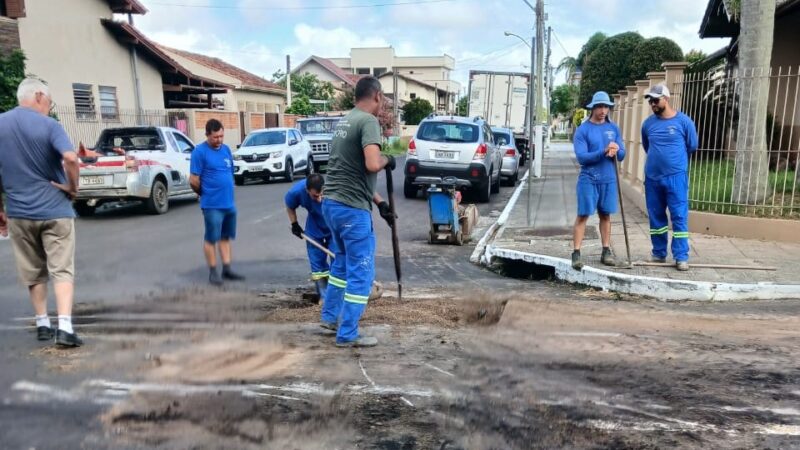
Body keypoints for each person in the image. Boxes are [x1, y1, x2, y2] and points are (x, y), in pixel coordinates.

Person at [0, 78, 82, 347]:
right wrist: (72, 186)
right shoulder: (50, 125)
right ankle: (66, 328)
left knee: (33, 270)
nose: (49, 107)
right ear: (38, 96)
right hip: (55, 209)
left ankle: (43, 323)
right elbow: (70, 158)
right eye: (49, 101)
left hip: (19, 213)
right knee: (61, 269)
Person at [320, 76, 395, 348]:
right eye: (383, 99)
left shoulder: (346, 120)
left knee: (341, 264)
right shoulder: (368, 122)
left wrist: (379, 202)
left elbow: (351, 171)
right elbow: (372, 163)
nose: (382, 104)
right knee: (361, 271)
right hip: (351, 211)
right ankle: (348, 332)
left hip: (332, 204)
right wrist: (388, 159)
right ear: (376, 96)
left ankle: (329, 318)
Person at [641, 84, 698, 271]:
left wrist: (674, 163)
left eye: (656, 100)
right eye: (651, 101)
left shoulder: (684, 122)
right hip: (653, 178)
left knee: (679, 216)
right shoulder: (648, 124)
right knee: (656, 218)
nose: (653, 104)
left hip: (676, 178)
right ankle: (658, 253)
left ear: (666, 98)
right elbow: (647, 146)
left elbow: (692, 146)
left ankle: (681, 256)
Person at [571, 91, 626, 270]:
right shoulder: (583, 130)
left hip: (609, 179)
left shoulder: (614, 128)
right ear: (593, 108)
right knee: (583, 214)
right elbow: (582, 158)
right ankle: (576, 252)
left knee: (605, 214)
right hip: (589, 178)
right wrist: (603, 151)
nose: (603, 110)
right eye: (600, 107)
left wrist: (617, 149)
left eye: (606, 107)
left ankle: (605, 250)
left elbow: (622, 155)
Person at [190, 118, 246, 285]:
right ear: (207, 135)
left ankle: (227, 269)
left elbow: (229, 173)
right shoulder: (199, 152)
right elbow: (193, 180)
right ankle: (213, 272)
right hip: (212, 205)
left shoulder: (226, 150)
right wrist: (204, 193)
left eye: (221, 136)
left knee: (225, 237)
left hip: (229, 203)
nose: (219, 140)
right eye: (215, 137)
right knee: (211, 238)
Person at [285, 173, 335, 302]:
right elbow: (290, 206)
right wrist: (294, 224)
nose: (319, 199)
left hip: (334, 225)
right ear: (307, 191)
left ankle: (338, 295)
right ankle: (324, 298)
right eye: (314, 196)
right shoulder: (296, 192)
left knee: (338, 260)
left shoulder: (334, 188)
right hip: (314, 227)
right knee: (317, 264)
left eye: (321, 195)